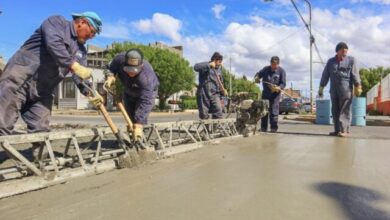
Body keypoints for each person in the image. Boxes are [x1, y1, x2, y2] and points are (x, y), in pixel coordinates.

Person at [0, 11, 103, 137]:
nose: (92, 36)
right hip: (19, 80)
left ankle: (40, 155)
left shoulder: (81, 51)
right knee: (2, 126)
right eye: (92, 31)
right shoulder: (57, 23)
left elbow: (79, 76)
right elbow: (54, 44)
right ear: (82, 22)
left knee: (42, 132)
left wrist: (91, 92)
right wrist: (72, 64)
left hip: (42, 92)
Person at [103, 48, 159, 141]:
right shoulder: (119, 59)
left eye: (134, 70)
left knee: (138, 119)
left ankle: (139, 137)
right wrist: (110, 76)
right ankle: (132, 139)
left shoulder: (147, 77)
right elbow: (110, 68)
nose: (131, 73)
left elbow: (146, 101)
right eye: (129, 69)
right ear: (125, 63)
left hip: (147, 92)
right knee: (129, 115)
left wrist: (139, 123)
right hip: (128, 89)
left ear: (141, 66)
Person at [318, 42, 362, 137]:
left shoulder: (351, 60)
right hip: (334, 91)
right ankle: (337, 130)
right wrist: (321, 87)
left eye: (346, 51)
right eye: (342, 51)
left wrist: (358, 86)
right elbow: (325, 75)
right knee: (335, 110)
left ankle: (345, 130)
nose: (344, 53)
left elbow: (355, 74)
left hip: (346, 90)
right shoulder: (331, 62)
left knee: (345, 110)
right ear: (337, 51)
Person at [254, 56, 286, 132]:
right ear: (270, 63)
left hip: (275, 95)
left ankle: (273, 128)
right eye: (272, 64)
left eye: (276, 65)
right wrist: (257, 78)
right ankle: (263, 128)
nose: (274, 66)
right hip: (265, 94)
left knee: (274, 112)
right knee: (264, 111)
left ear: (278, 64)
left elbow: (283, 83)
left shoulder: (282, 71)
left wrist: (279, 87)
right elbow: (258, 74)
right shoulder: (265, 69)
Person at [194, 52, 228, 120]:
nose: (220, 63)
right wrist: (208, 65)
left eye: (221, 61)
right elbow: (195, 67)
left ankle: (215, 129)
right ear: (214, 60)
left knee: (218, 111)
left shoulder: (219, 70)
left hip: (215, 94)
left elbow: (220, 81)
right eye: (219, 61)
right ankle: (207, 130)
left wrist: (223, 90)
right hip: (204, 93)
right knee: (204, 115)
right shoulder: (206, 65)